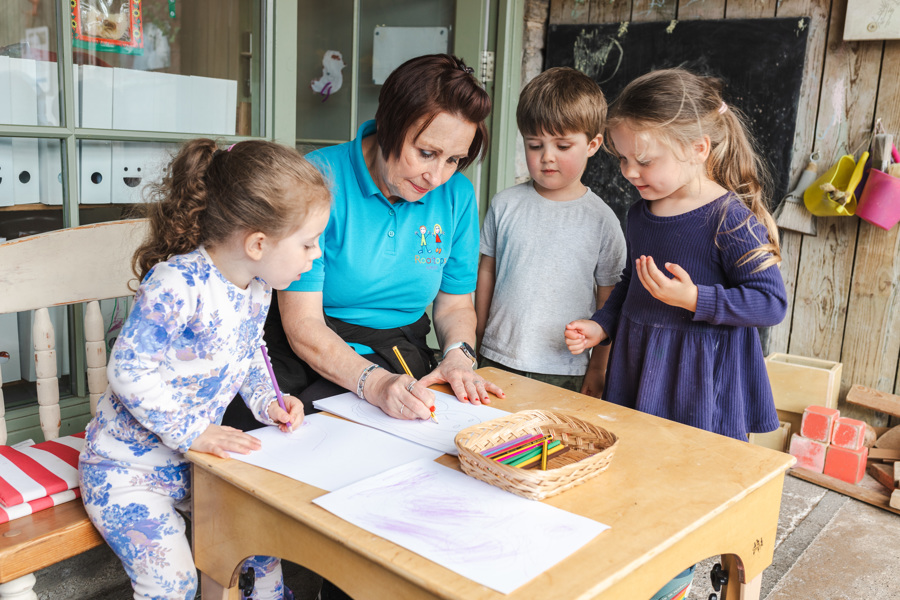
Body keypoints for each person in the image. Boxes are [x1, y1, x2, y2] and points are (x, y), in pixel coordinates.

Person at [564, 67, 787, 599]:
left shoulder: (730, 219)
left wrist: (695, 299)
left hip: (698, 377)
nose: (629, 171)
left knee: (688, 489)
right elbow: (631, 286)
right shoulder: (639, 214)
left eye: (644, 160)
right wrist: (601, 325)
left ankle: (679, 577)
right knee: (639, 476)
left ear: (698, 148)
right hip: (642, 367)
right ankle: (646, 570)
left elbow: (770, 302)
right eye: (621, 158)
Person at [78, 139, 330, 600]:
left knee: (260, 545)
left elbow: (249, 352)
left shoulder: (256, 288)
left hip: (193, 467)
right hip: (126, 471)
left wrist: (268, 400)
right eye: (309, 244)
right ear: (258, 243)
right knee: (172, 586)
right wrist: (194, 432)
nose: (317, 256)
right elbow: (129, 371)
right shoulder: (178, 283)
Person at [226, 53, 503, 439]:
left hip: (398, 349)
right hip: (307, 346)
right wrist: (371, 384)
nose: (437, 176)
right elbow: (303, 324)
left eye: (454, 160)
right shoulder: (320, 178)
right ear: (390, 124)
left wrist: (458, 354)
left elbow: (455, 303)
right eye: (426, 153)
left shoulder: (457, 195)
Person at [475, 67, 626, 395]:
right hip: (495, 359)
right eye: (534, 145)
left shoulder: (602, 221)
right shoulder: (504, 205)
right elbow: (486, 272)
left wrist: (598, 367)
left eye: (562, 145)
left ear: (592, 144)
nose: (547, 157)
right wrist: (477, 337)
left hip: (564, 369)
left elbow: (608, 301)